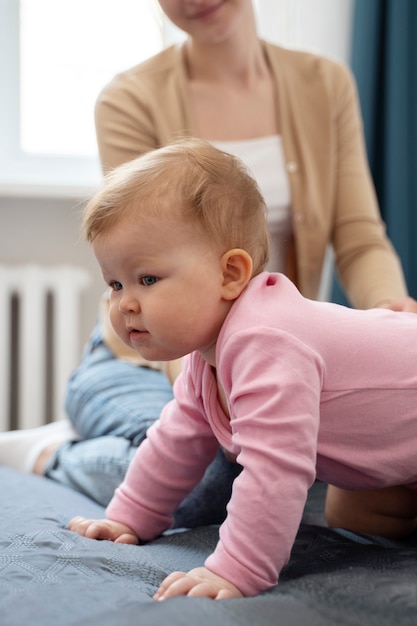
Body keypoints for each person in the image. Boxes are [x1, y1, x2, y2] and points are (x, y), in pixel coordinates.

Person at [1, 0, 417, 521]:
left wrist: (390, 307)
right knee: (209, 475)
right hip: (146, 353)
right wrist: (220, 399)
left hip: (251, 352)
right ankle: (50, 454)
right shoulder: (130, 98)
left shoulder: (323, 83)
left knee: (255, 461)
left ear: (234, 272)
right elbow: (134, 252)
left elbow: (358, 236)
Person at [69, 138, 417, 600]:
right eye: (114, 283)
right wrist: (126, 517)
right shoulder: (204, 358)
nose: (124, 303)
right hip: (388, 449)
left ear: (230, 274)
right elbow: (174, 442)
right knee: (357, 519)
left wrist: (236, 568)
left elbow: (275, 469)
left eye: (147, 279)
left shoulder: (266, 341)